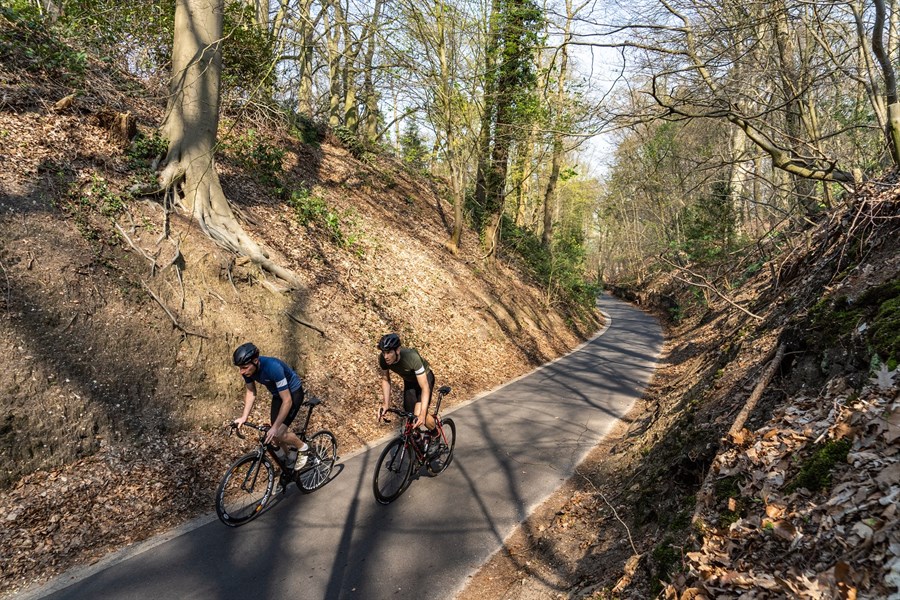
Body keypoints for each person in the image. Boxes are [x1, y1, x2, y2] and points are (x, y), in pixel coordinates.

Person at [232, 342, 308, 470]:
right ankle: (289, 456)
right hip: (278, 395)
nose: (241, 372)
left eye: (244, 367)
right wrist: (244, 417)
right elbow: (251, 392)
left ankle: (302, 447)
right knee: (274, 434)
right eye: (240, 368)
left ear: (255, 361)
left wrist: (276, 427)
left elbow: (287, 400)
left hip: (293, 393)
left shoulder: (273, 367)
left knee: (278, 432)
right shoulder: (248, 371)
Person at [376, 333, 439, 444]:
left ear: (398, 350)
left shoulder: (411, 357)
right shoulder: (383, 359)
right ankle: (418, 446)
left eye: (389, 352)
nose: (386, 356)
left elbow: (425, 387)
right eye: (384, 352)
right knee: (410, 419)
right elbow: (386, 380)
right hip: (410, 382)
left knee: (418, 415)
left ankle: (435, 433)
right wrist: (386, 404)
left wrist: (423, 414)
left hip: (425, 379)